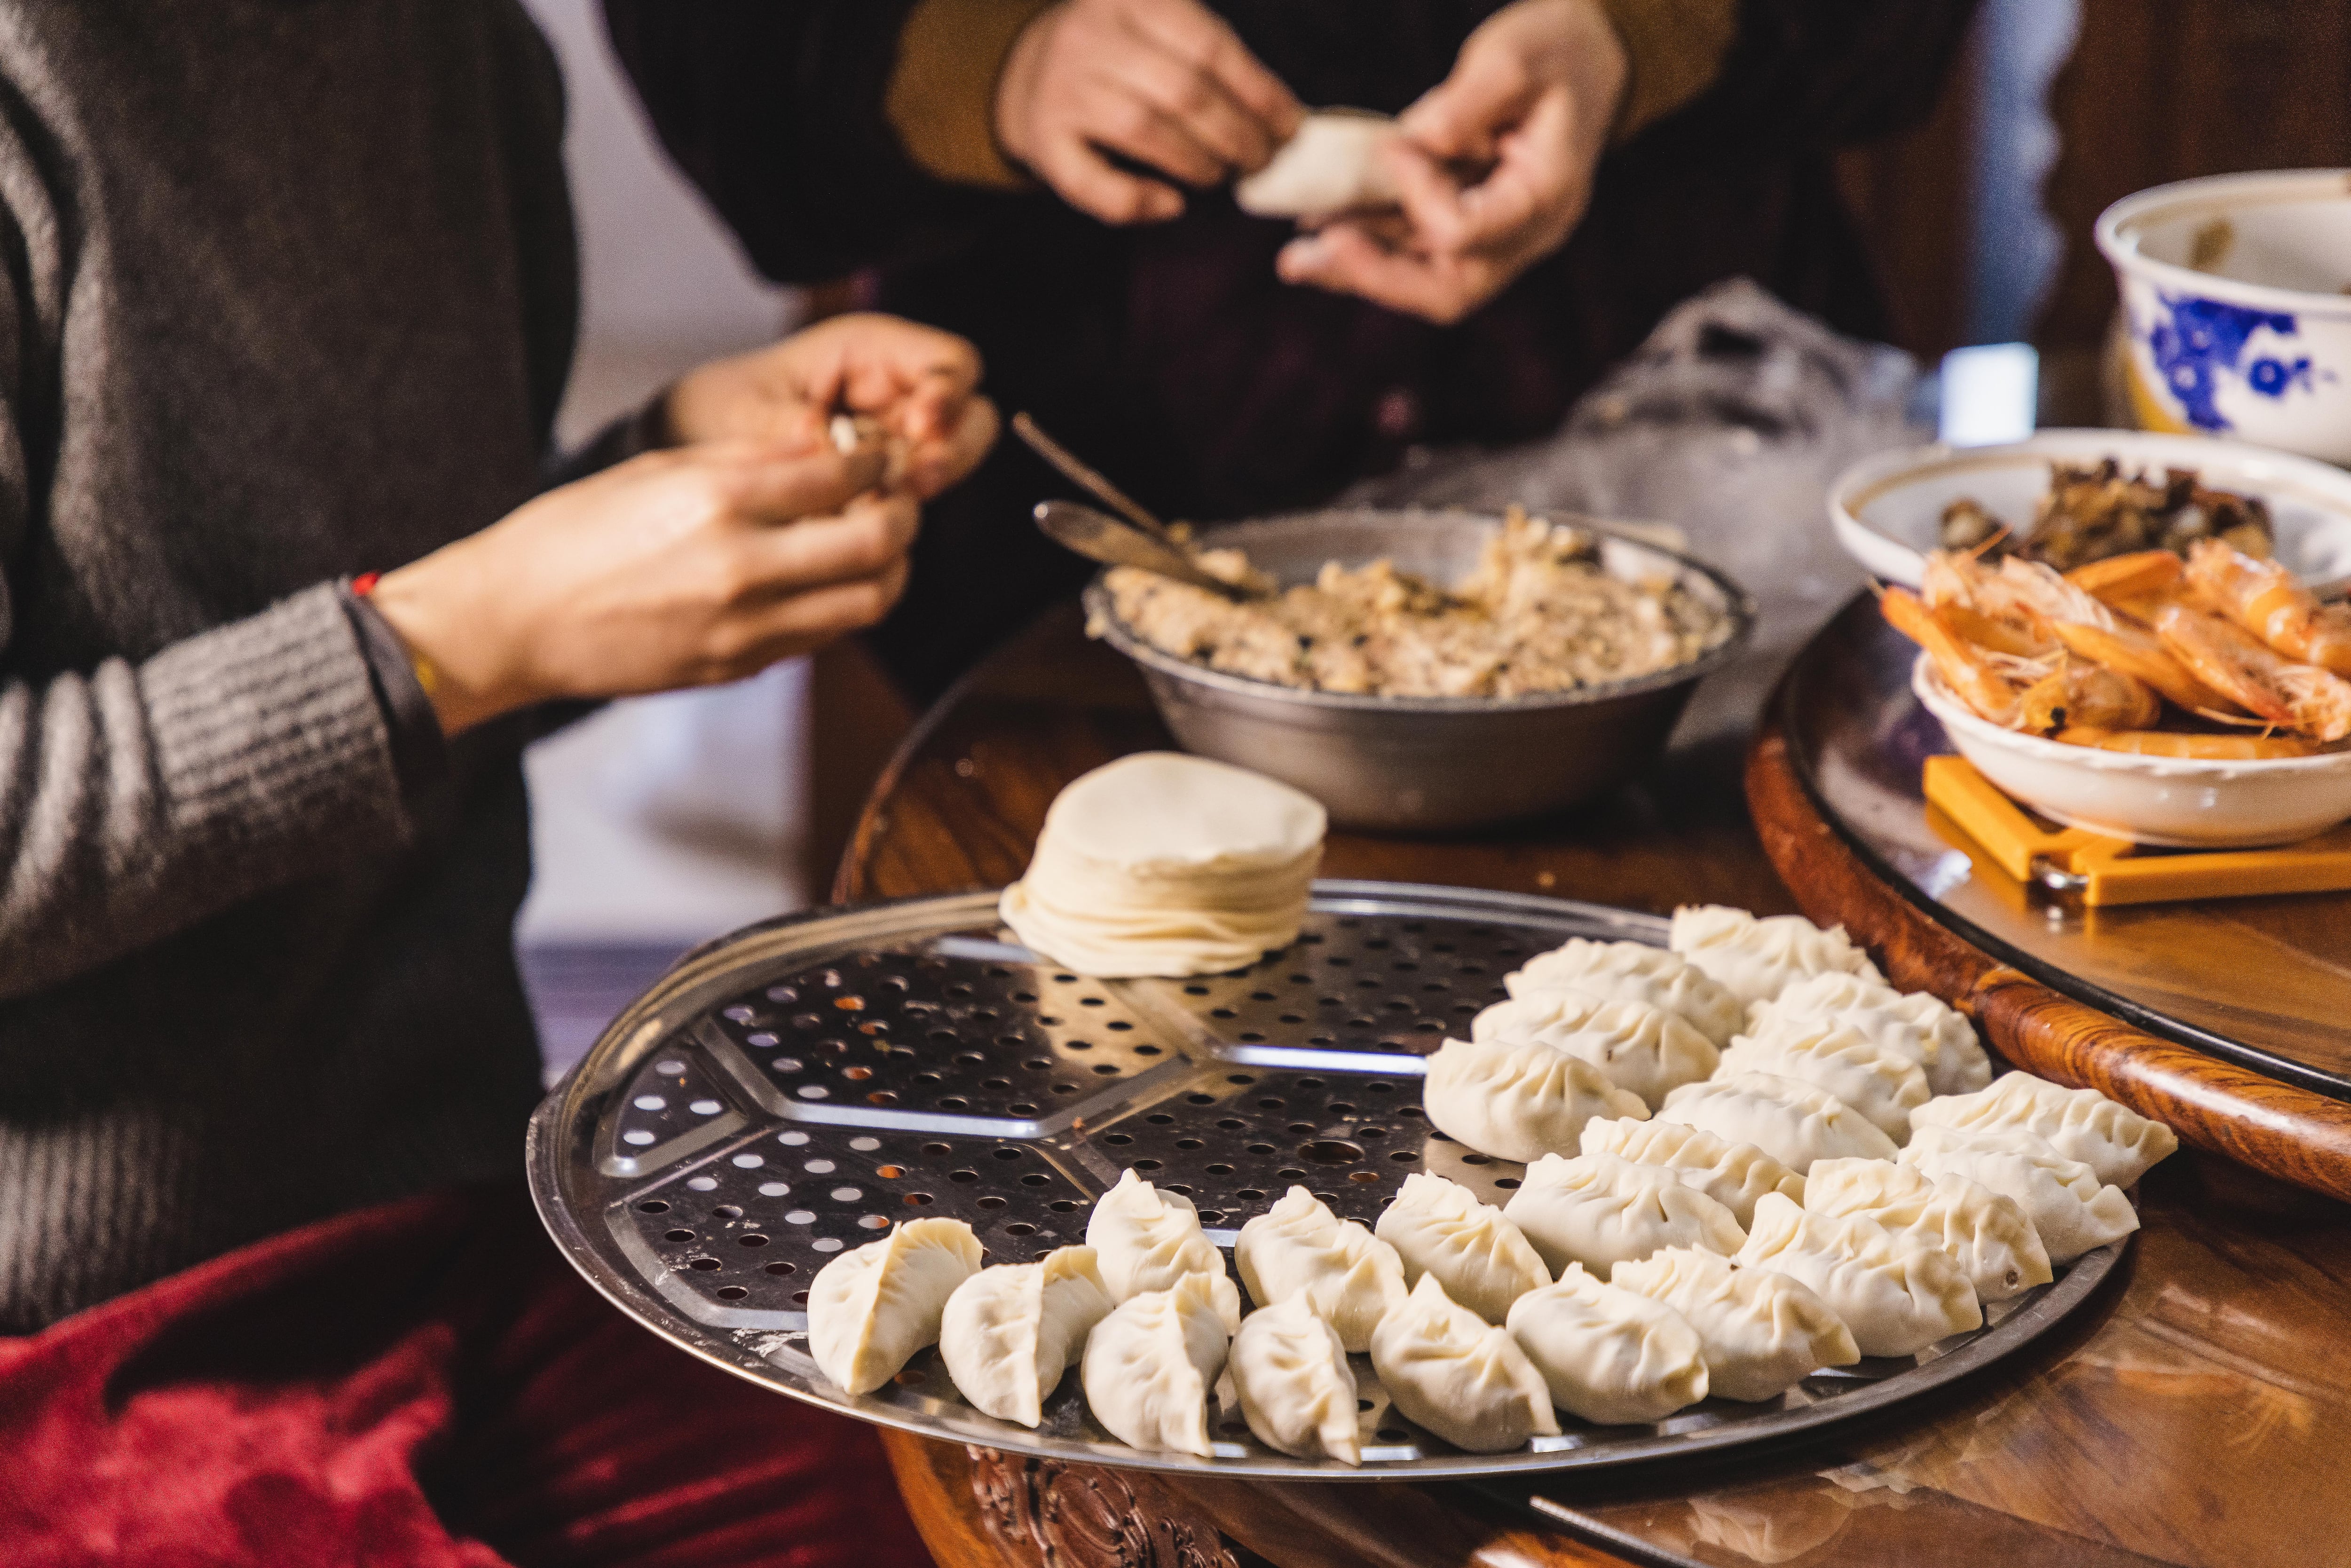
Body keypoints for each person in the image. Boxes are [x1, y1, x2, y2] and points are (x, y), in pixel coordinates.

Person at [0, 5, 987, 1561]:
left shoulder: (451, 54)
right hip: (64, 1342)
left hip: (453, 1214)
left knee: (1005, 1494)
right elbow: (411, 650)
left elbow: (383, 651)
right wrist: (456, 642)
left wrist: (655, 476)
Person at [606, 0, 1978, 701]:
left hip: (1705, 456)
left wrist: (1642, 34)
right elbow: (721, 50)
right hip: (1070, 505)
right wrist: (986, 58)